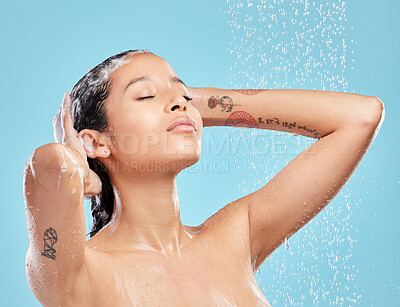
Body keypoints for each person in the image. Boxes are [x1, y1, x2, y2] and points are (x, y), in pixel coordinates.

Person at [23, 49, 384, 306]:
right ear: (95, 142)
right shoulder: (79, 274)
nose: (181, 102)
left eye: (184, 94)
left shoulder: (235, 237)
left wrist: (200, 104)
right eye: (146, 94)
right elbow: (46, 166)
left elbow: (359, 116)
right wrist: (73, 165)